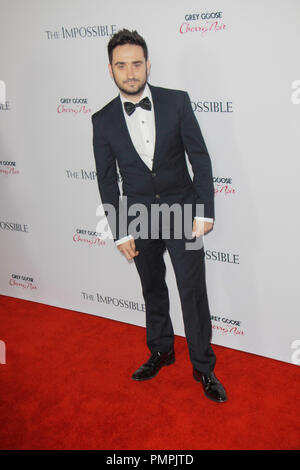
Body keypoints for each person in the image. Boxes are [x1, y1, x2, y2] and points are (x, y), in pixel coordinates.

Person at [91, 29, 227, 403]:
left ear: (148, 64)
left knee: (192, 291)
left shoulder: (176, 102)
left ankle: (203, 367)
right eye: (122, 65)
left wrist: (204, 210)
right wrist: (120, 231)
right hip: (137, 215)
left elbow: (199, 158)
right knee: (152, 288)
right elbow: (106, 178)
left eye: (137, 63)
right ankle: (161, 350)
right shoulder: (102, 120)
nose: (130, 72)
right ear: (111, 70)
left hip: (183, 212)